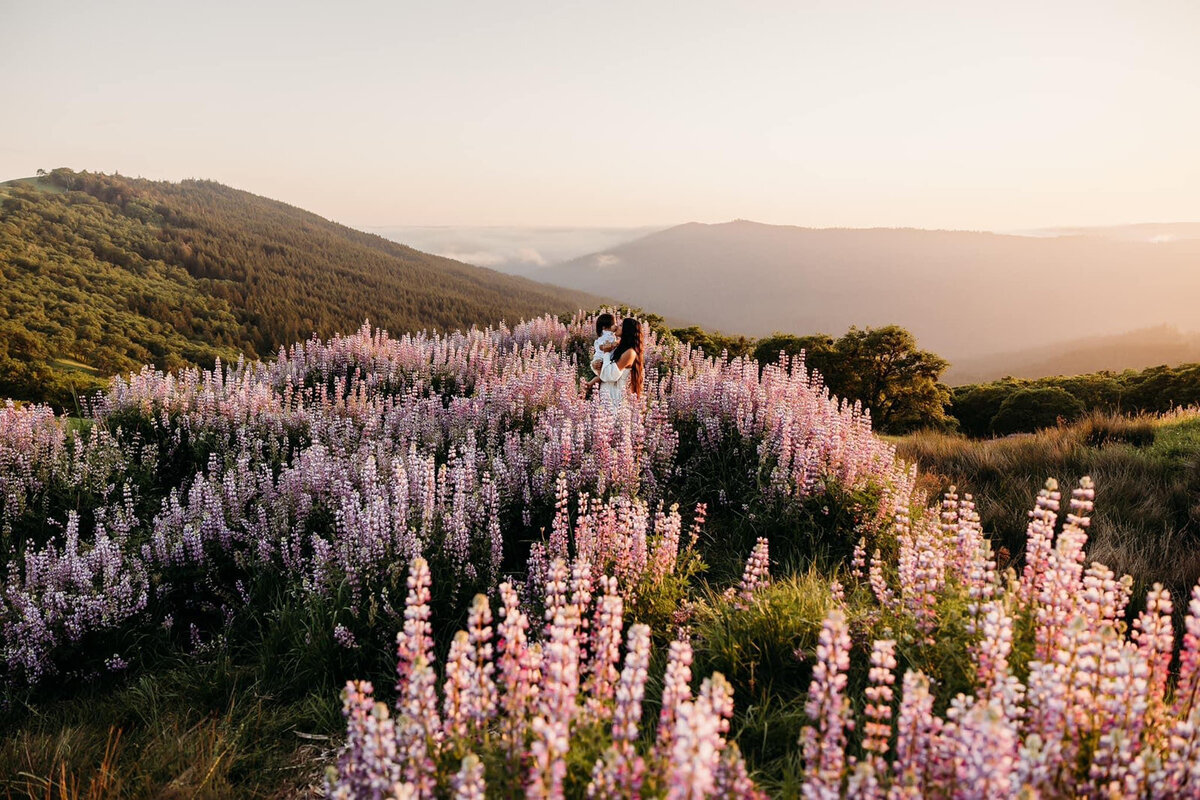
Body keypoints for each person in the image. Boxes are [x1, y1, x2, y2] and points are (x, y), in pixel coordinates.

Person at [597, 317, 644, 406]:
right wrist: (600, 365)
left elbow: (610, 376)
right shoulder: (619, 348)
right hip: (607, 396)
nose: (617, 327)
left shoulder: (630, 352)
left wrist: (606, 353)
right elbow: (606, 371)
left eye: (621, 325)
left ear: (627, 330)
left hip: (615, 399)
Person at [583, 313, 620, 396]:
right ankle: (589, 385)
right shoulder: (604, 336)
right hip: (599, 359)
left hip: (604, 360)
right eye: (613, 324)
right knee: (603, 377)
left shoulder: (610, 335)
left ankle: (590, 386)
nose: (616, 325)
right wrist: (609, 347)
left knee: (603, 377)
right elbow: (600, 346)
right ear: (604, 328)